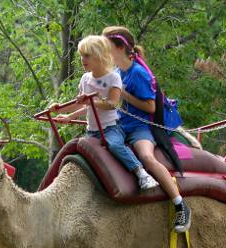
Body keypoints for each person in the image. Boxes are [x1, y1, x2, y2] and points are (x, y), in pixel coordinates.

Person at [102, 26, 191, 232]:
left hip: (139, 128)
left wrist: (124, 95)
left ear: (119, 47)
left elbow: (150, 107)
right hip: (119, 125)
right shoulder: (116, 72)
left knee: (147, 158)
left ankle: (180, 204)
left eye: (105, 46)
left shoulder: (138, 73)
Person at [53, 36, 158, 192]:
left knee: (114, 145)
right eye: (81, 55)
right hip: (92, 131)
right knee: (78, 150)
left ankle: (141, 173)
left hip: (110, 128)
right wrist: (63, 112)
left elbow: (112, 104)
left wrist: (90, 102)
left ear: (99, 56)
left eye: (87, 55)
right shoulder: (85, 79)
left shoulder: (113, 78)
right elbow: (82, 104)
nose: (82, 59)